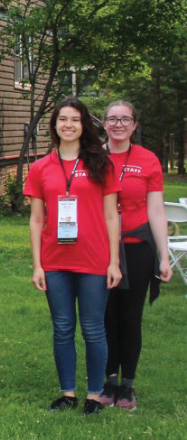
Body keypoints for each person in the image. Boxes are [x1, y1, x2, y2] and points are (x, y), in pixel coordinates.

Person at [25, 97, 122, 415]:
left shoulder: (101, 164)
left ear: (84, 125)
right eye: (63, 119)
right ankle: (67, 393)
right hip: (55, 261)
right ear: (54, 125)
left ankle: (94, 395)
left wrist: (114, 262)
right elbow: (36, 219)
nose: (68, 125)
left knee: (93, 329)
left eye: (75, 119)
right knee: (63, 327)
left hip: (94, 259)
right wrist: (37, 265)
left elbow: (112, 216)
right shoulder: (40, 167)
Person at [100, 100, 173, 410]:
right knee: (105, 316)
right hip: (101, 248)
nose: (118, 124)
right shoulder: (93, 157)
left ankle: (127, 384)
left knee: (130, 317)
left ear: (134, 125)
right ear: (104, 124)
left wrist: (164, 256)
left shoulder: (148, 160)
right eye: (113, 119)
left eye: (125, 119)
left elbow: (156, 210)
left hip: (137, 246)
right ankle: (107, 380)